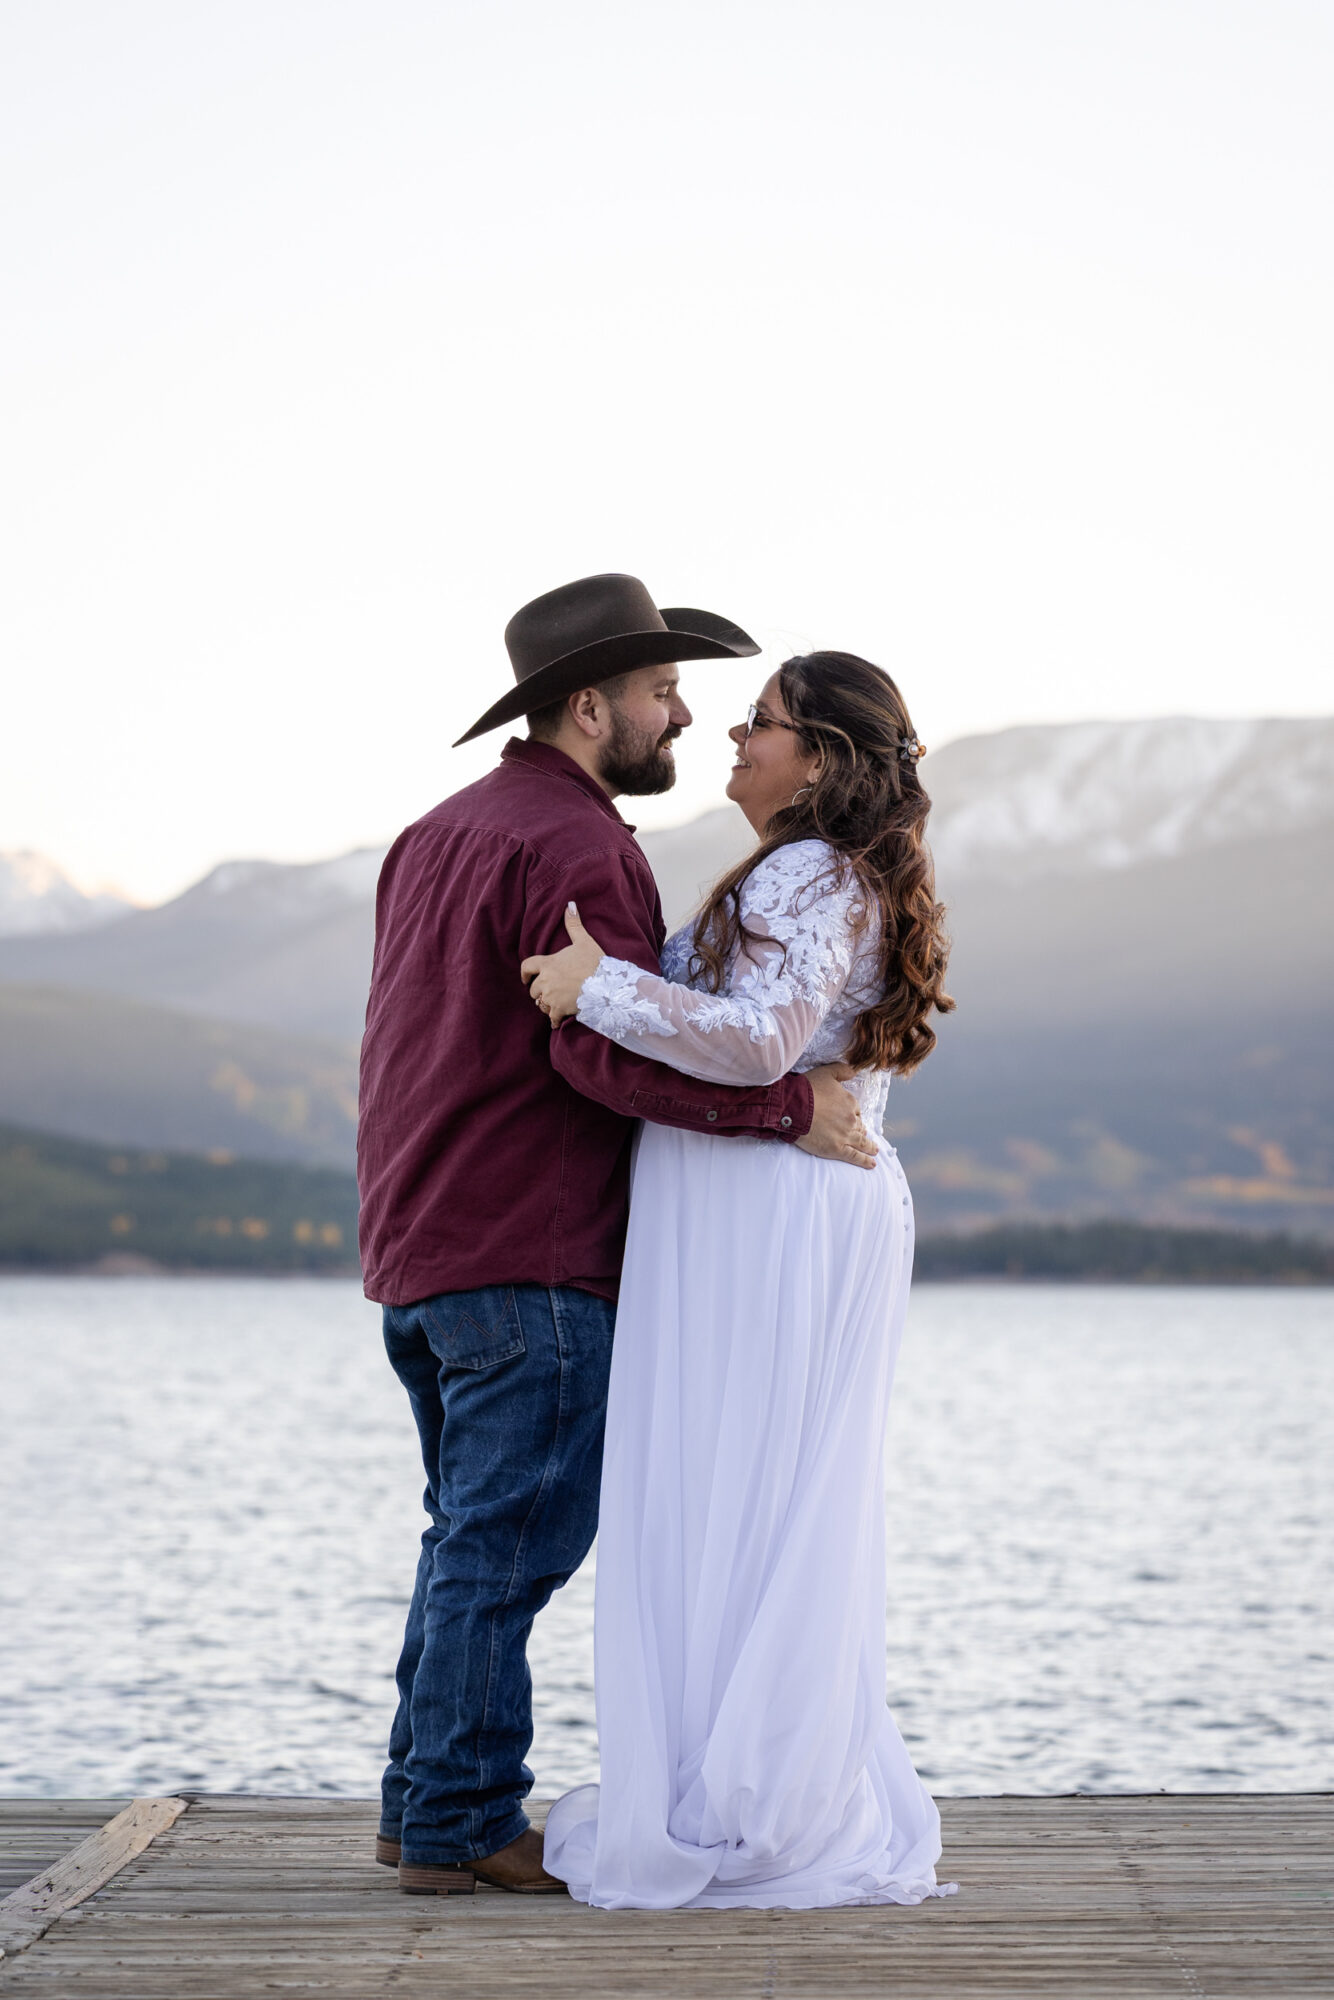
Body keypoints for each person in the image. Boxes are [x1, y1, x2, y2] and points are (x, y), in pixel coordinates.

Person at [357, 575, 876, 1897]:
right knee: (506, 1545)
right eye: (658, 692)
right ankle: (458, 1821)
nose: (682, 715)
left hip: (420, 1248)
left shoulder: (434, 833)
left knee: (463, 1535)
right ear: (589, 707)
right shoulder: (580, 848)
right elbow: (596, 1055)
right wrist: (783, 1108)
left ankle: (416, 1802)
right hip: (532, 1249)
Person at [524, 650, 958, 1909]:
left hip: (772, 1221)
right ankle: (736, 1775)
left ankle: (754, 1800)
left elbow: (763, 1038)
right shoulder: (810, 867)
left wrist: (595, 985)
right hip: (765, 1211)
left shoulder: (811, 868)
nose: (732, 729)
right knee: (743, 1494)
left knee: (745, 1494)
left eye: (759, 720)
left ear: (817, 756)